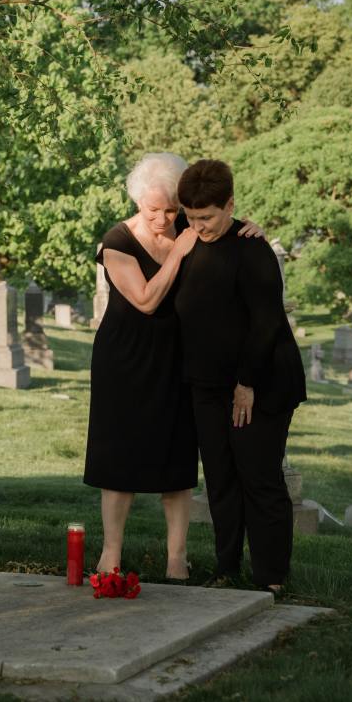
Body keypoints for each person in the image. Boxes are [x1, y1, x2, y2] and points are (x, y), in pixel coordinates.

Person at [83, 153, 260, 581]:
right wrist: (178, 255)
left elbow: (222, 228)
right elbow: (144, 300)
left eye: (171, 210)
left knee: (178, 461)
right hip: (124, 359)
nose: (164, 219)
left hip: (179, 356)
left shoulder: (187, 225)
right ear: (137, 201)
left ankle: (177, 559)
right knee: (119, 457)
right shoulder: (117, 242)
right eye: (153, 210)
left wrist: (252, 230)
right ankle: (111, 555)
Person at [173, 158, 305, 591]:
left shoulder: (253, 249)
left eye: (207, 217)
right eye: (191, 217)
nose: (199, 226)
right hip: (206, 383)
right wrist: (188, 226)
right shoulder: (186, 232)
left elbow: (266, 321)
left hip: (261, 380)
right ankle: (226, 569)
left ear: (230, 205)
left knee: (259, 478)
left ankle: (272, 578)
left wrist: (246, 384)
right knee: (220, 480)